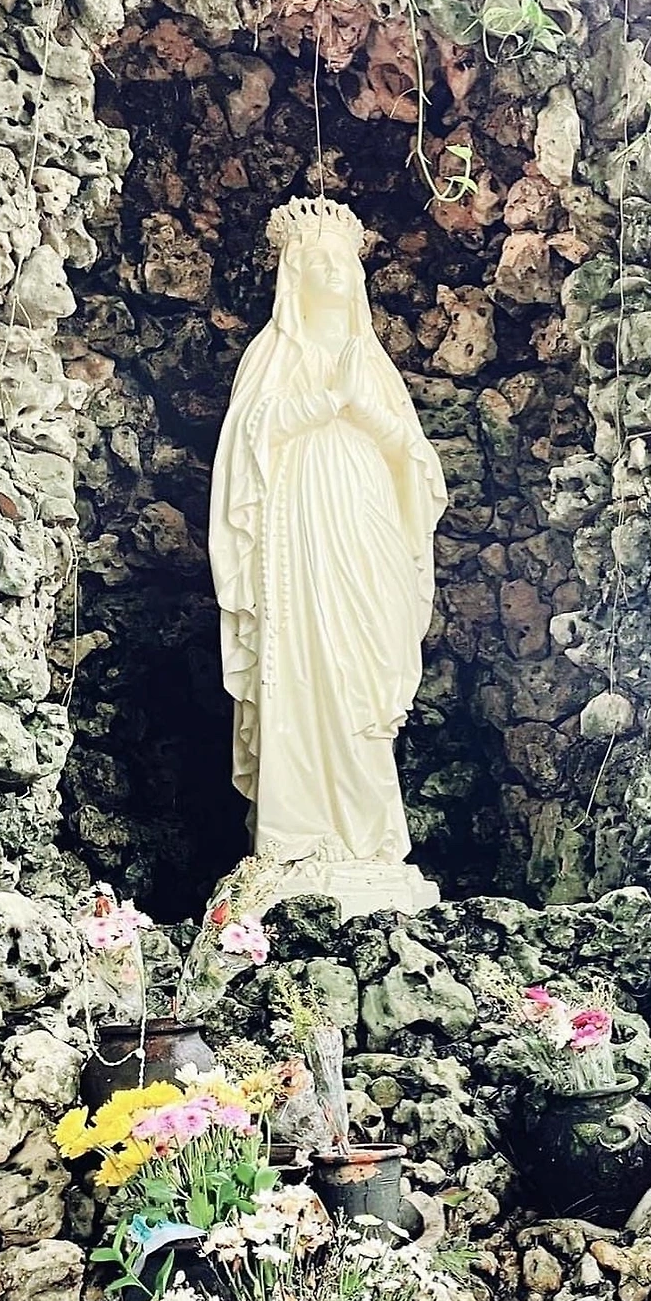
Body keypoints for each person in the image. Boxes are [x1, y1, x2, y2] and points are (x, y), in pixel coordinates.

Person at [208, 197, 447, 915]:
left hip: (365, 518)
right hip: (298, 525)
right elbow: (245, 443)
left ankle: (369, 838)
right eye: (316, 260)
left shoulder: (373, 365)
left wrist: (364, 409)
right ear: (293, 275)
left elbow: (417, 464)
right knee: (307, 661)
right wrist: (323, 402)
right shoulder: (273, 355)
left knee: (366, 667)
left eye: (342, 260)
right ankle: (298, 834)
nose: (332, 271)